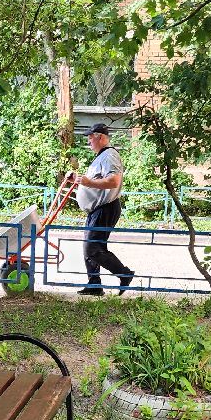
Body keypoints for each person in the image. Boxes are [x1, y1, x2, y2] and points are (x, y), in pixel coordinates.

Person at [75, 123, 135, 296]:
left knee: (92, 249)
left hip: (105, 208)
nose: (88, 141)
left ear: (100, 137)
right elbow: (94, 181)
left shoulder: (110, 155)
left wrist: (88, 182)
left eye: (90, 137)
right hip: (97, 209)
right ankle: (94, 285)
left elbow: (114, 181)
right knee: (89, 247)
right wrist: (79, 180)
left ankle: (124, 274)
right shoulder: (102, 156)